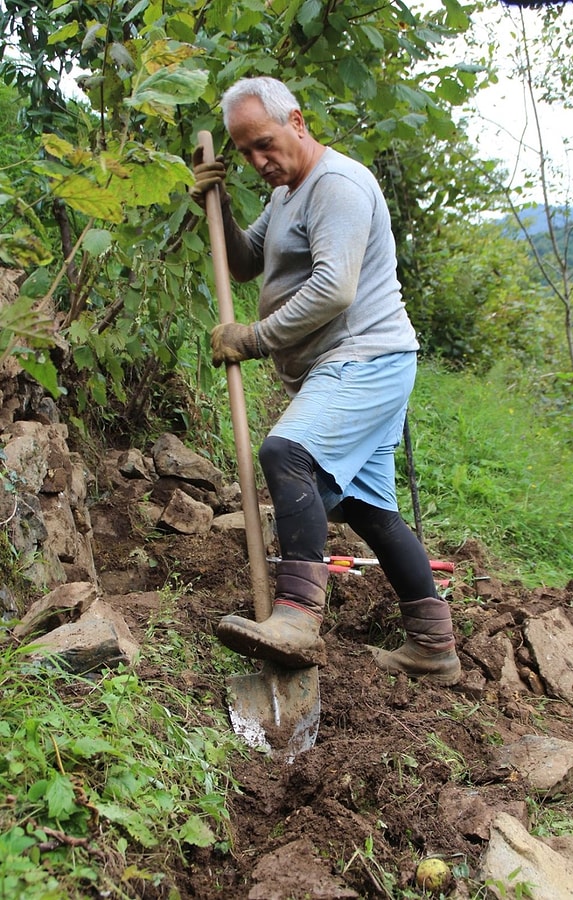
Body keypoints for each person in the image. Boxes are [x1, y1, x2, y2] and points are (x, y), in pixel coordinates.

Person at [191, 76, 461, 685]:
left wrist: (254, 339)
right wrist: (219, 205)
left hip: (366, 356)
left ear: (298, 121)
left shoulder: (335, 186)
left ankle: (295, 616)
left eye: (264, 144)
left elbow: (334, 289)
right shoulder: (287, 190)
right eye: (244, 153)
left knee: (288, 453)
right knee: (368, 510)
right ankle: (433, 646)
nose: (259, 161)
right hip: (348, 364)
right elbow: (243, 260)